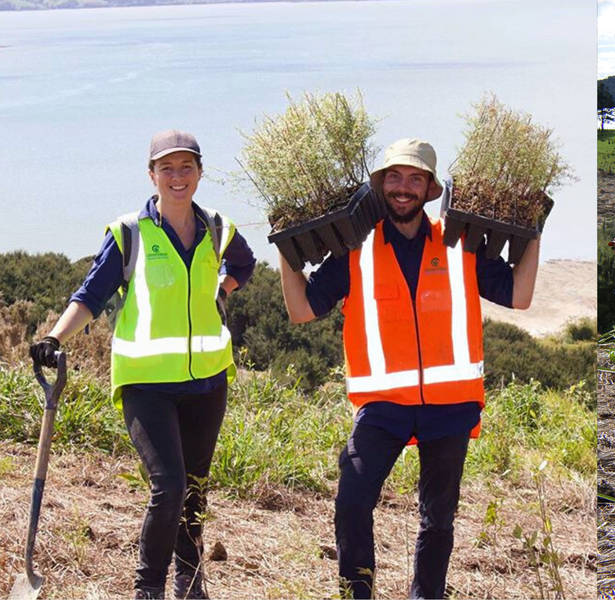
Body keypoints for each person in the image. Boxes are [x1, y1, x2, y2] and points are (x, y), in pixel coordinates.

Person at [277, 138, 539, 599]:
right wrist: (287, 246)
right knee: (351, 502)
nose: (403, 188)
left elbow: (519, 295)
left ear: (429, 189)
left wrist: (533, 234)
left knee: (437, 519)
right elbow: (302, 310)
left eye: (415, 179)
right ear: (379, 186)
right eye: (394, 178)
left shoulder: (462, 245)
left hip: (451, 406)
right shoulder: (354, 250)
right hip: (382, 407)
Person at [28, 130, 254, 599]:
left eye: (186, 167)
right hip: (146, 383)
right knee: (168, 485)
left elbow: (245, 264)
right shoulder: (130, 232)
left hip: (207, 381)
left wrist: (222, 290)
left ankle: (190, 582)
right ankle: (147, 589)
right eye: (166, 168)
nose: (177, 177)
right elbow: (91, 296)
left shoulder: (216, 227)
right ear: (151, 175)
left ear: (199, 173)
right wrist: (54, 336)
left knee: (194, 488)